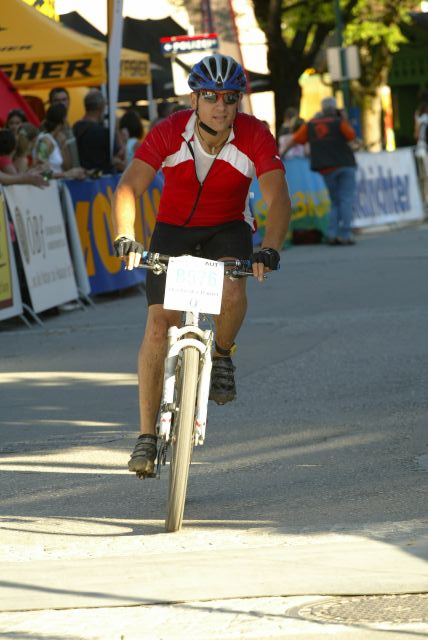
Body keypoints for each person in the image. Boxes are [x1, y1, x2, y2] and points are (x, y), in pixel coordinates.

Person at [112, 53, 291, 477]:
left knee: (232, 286)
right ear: (194, 99)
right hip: (173, 230)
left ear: (238, 101)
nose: (220, 106)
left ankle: (223, 354)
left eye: (230, 98)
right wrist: (125, 236)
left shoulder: (254, 134)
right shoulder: (170, 131)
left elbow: (278, 197)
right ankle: (146, 437)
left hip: (228, 227)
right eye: (210, 96)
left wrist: (269, 248)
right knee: (159, 326)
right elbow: (129, 187)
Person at [282, 96, 358, 246]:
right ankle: (346, 234)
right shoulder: (339, 122)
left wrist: (282, 153)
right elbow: (352, 136)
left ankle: (331, 234)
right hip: (346, 164)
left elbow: (295, 140)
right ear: (334, 108)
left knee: (335, 201)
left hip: (326, 168)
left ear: (322, 109)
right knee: (346, 199)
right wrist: (344, 118)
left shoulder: (311, 124)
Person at [73, 89, 125, 175]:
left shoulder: (76, 127)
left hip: (81, 177)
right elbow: (121, 154)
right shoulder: (104, 132)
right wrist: (116, 128)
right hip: (102, 178)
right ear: (100, 107)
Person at [33, 103, 86, 179]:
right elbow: (41, 175)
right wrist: (65, 174)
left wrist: (63, 146)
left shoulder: (54, 139)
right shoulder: (45, 142)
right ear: (64, 120)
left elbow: (67, 167)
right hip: (48, 185)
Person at [48, 87, 80, 169]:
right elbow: (41, 166)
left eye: (64, 100)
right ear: (51, 103)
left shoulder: (69, 125)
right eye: (57, 100)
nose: (61, 103)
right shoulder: (47, 130)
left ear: (69, 102)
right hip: (57, 175)